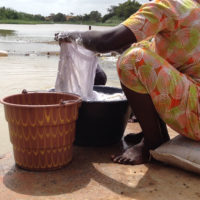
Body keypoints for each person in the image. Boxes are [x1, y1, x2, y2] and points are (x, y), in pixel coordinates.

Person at [56, 0, 200, 165]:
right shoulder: (193, 10)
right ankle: (154, 131)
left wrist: (71, 35)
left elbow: (107, 41)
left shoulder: (169, 5)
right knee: (143, 48)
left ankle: (152, 144)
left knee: (132, 60)